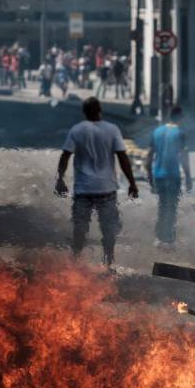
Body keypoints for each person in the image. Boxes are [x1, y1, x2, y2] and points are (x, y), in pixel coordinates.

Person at [56, 97, 139, 270]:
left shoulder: (77, 130)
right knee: (108, 228)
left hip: (83, 189)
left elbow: (65, 155)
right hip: (106, 188)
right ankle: (108, 261)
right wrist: (132, 182)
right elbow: (122, 157)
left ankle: (76, 261)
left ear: (84, 112)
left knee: (80, 227)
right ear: (100, 110)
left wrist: (60, 179)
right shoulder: (112, 129)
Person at [146, 106, 193, 248]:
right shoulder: (180, 133)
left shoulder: (157, 131)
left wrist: (149, 176)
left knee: (162, 206)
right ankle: (169, 239)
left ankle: (159, 238)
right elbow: (183, 156)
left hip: (158, 175)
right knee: (171, 207)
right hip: (173, 176)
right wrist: (188, 177)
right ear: (179, 117)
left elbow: (149, 156)